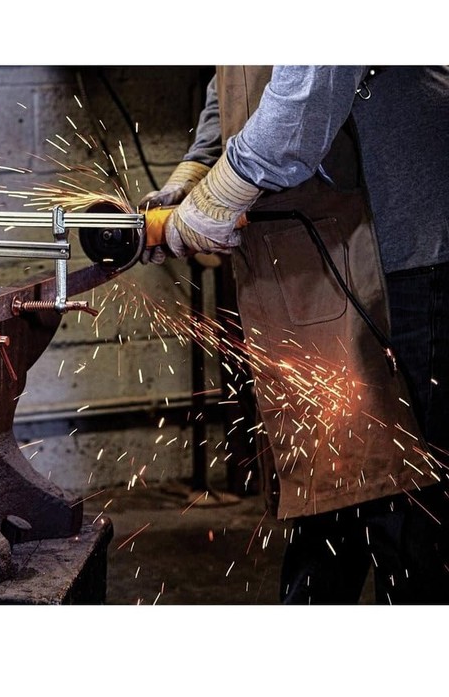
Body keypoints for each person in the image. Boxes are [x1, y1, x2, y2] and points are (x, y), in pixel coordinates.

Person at [142, 66, 449, 604]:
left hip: (403, 249)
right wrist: (198, 166)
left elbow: (311, 80)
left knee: (410, 507)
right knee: (333, 482)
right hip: (326, 252)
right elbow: (235, 72)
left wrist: (222, 192)